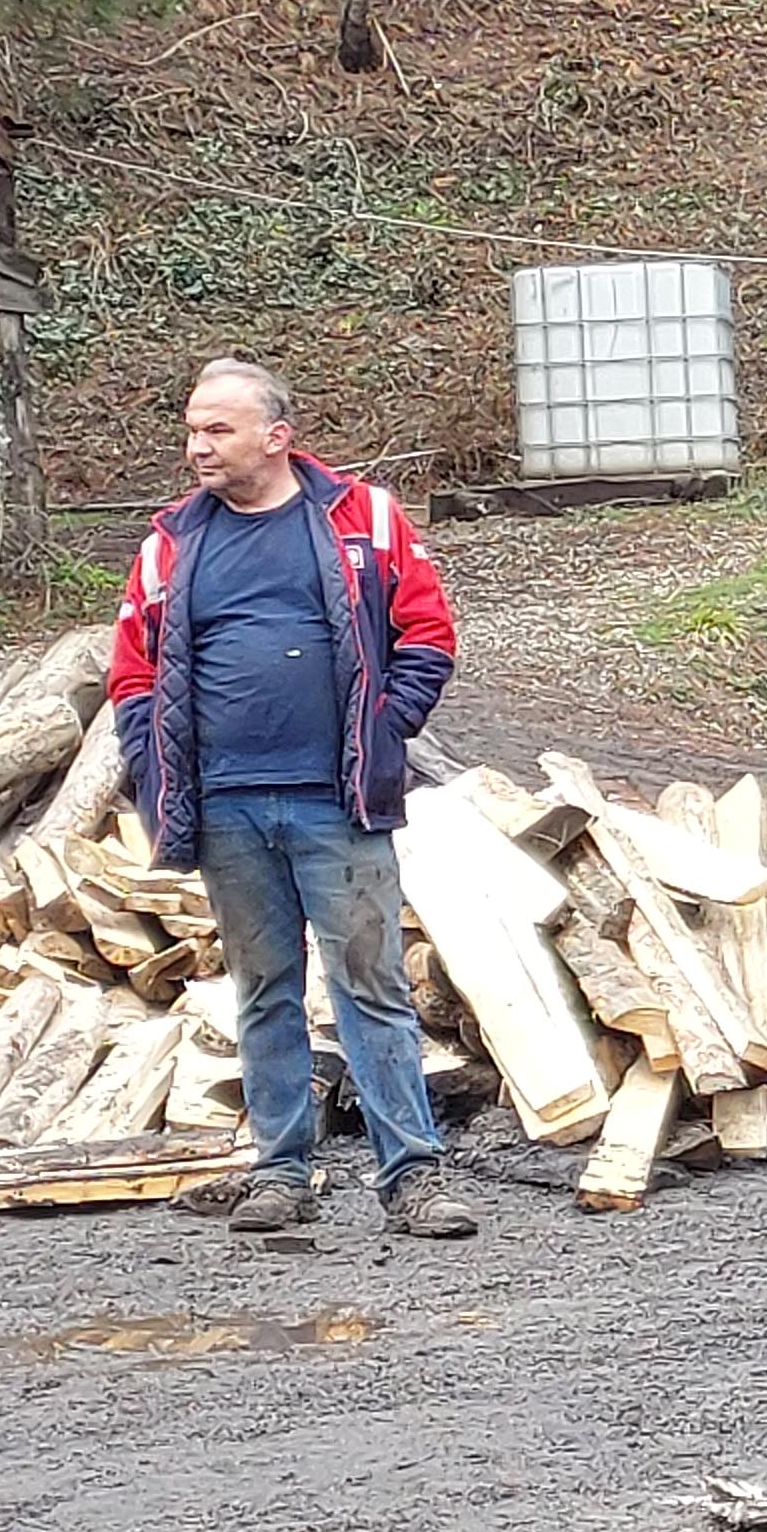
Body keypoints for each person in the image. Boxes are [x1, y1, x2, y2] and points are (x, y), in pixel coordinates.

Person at [108, 358, 474, 1238]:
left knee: (371, 985)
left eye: (217, 430)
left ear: (277, 437)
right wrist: (153, 773)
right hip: (227, 806)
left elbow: (427, 631)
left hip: (335, 801)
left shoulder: (362, 519)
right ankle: (280, 1173)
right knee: (264, 989)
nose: (198, 446)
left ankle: (412, 1178)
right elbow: (132, 672)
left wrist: (388, 732)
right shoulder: (171, 543)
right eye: (193, 429)